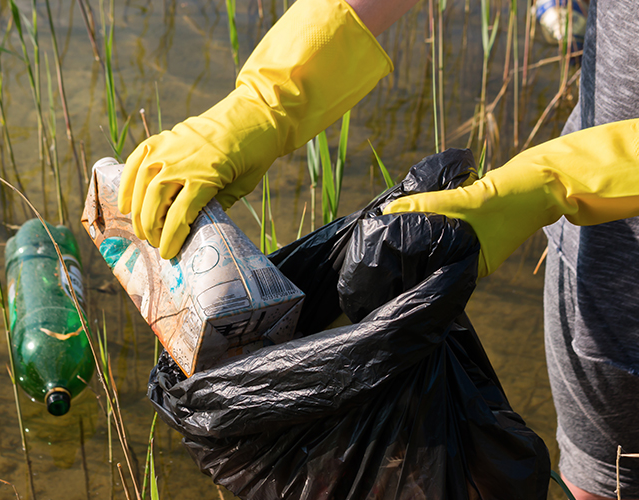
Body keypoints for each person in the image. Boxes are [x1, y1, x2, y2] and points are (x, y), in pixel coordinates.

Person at [117, 0, 639, 498]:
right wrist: (266, 100)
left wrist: (553, 182)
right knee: (604, 475)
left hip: (586, 188)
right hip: (602, 250)